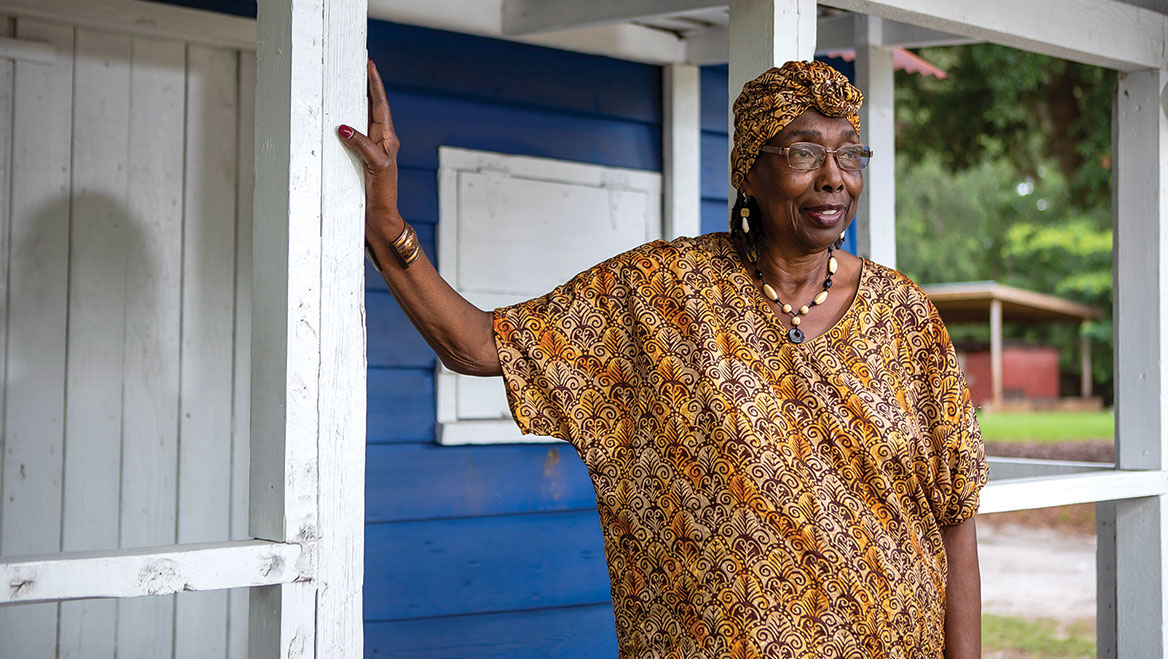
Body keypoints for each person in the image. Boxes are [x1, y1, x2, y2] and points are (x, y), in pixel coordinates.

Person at [340, 58, 987, 659]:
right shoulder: (661, 295)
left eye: (849, 154)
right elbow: (479, 345)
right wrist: (387, 221)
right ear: (747, 171)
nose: (833, 178)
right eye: (803, 152)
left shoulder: (904, 317)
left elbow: (955, 515)